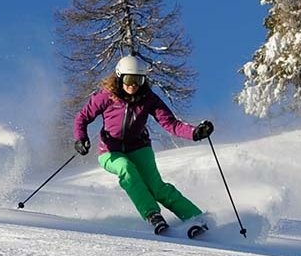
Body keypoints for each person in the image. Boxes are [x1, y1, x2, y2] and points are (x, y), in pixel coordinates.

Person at [73, 55, 214, 238]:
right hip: (110, 151)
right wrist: (80, 138)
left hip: (139, 147)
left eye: (138, 80)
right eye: (129, 79)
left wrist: (195, 133)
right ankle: (152, 214)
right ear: (119, 77)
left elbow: (170, 123)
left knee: (157, 188)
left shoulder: (149, 99)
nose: (133, 85)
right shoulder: (106, 97)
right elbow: (82, 118)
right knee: (126, 169)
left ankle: (196, 218)